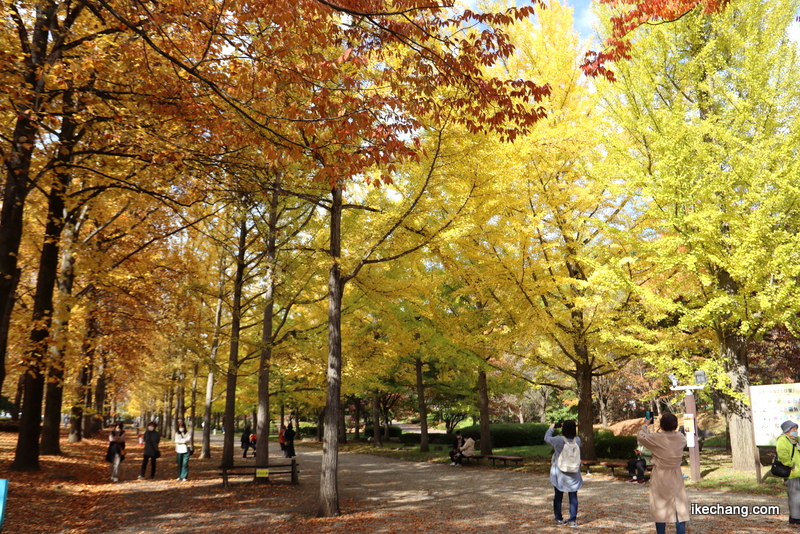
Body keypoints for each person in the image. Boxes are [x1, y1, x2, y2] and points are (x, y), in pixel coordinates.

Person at [637, 413, 689, 534]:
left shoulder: (657, 438)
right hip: (676, 473)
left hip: (660, 474)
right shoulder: (681, 438)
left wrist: (645, 424)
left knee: (660, 506)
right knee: (679, 506)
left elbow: (641, 437)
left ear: (662, 425)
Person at [545, 420, 582, 527]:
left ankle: (559, 519)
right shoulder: (578, 440)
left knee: (558, 496)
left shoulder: (558, 440)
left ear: (563, 428)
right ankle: (573, 520)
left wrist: (551, 428)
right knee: (573, 497)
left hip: (560, 473)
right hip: (573, 473)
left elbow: (546, 439)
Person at [776, 420, 800, 525]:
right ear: (787, 430)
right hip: (792, 472)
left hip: (799, 471)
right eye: (793, 429)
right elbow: (782, 455)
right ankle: (795, 518)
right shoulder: (782, 440)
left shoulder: (796, 440)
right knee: (795, 496)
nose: (796, 431)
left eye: (796, 428)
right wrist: (791, 465)